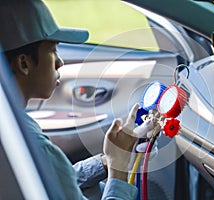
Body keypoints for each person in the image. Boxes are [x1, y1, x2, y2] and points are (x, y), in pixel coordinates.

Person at [0, 0, 154, 199]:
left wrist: (107, 161)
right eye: (53, 50)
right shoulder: (33, 146)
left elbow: (56, 181)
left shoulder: (15, 130)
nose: (60, 62)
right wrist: (119, 169)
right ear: (24, 63)